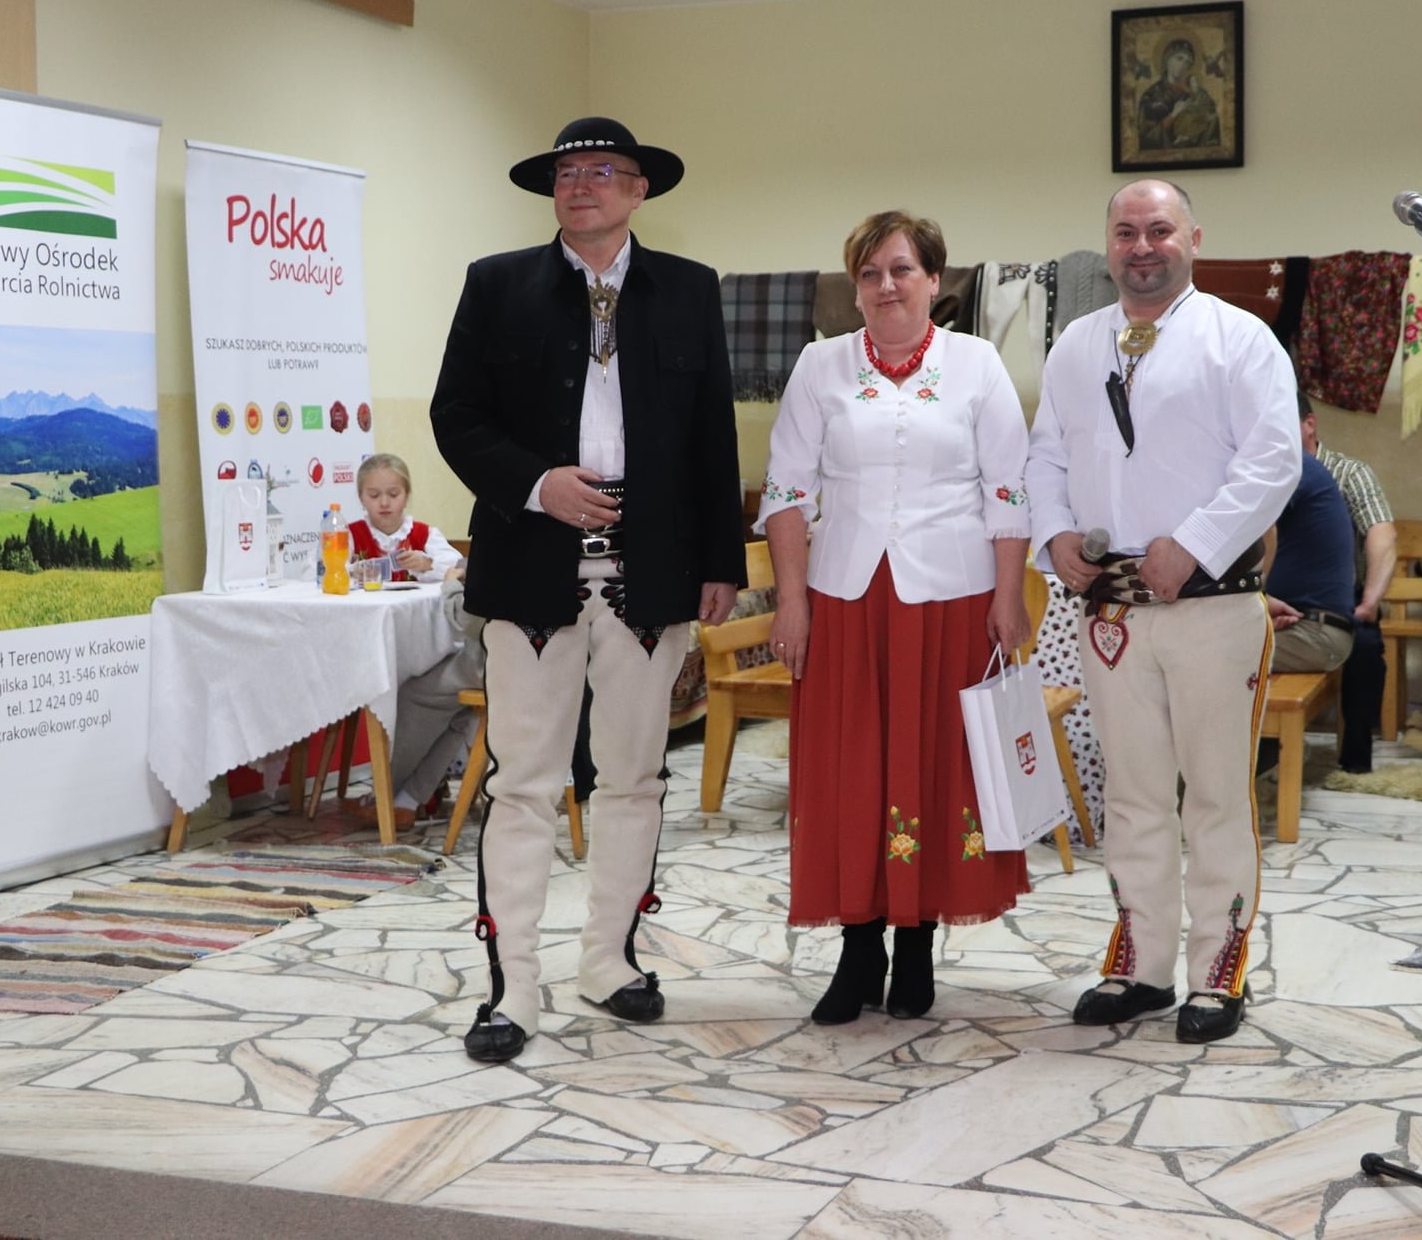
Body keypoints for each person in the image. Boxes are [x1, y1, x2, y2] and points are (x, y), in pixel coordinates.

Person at [431, 117, 745, 1065]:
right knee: (524, 782)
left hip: (651, 576)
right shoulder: (497, 284)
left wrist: (721, 562)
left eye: (604, 171)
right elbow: (455, 416)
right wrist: (538, 484)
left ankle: (609, 960)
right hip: (531, 569)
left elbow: (712, 433)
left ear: (639, 189)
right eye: (568, 171)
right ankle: (512, 987)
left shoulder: (688, 289)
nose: (582, 184)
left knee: (634, 777)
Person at [1026, 178, 1298, 1044]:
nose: (1142, 247)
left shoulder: (1240, 339)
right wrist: (1054, 535)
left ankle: (1220, 968)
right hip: (1110, 612)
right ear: (1107, 244)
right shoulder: (1076, 345)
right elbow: (1044, 457)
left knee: (1215, 793)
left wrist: (1197, 543)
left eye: (1159, 230)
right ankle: (1140, 963)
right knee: (1134, 793)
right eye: (1126, 232)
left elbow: (1274, 461)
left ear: (1194, 239)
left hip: (1213, 606)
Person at [760, 210, 1032, 1025]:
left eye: (902, 269)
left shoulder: (977, 364)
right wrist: (792, 599)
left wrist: (1008, 597)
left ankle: (916, 944)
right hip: (846, 601)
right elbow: (787, 490)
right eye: (870, 273)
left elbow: (1009, 490)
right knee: (852, 769)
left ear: (934, 281)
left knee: (938, 766)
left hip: (953, 600)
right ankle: (860, 946)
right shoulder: (820, 365)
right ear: (855, 288)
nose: (885, 285)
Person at [337, 453, 472, 832]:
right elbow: (324, 571)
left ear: (407, 495)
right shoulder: (351, 535)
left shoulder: (424, 535)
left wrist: (428, 565)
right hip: (366, 640)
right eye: (374, 495)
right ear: (361, 497)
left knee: (421, 692)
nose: (384, 503)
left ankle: (398, 790)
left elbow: (457, 569)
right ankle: (401, 792)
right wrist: (350, 573)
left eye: (393, 494)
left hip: (422, 646)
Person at [1301, 400, 1396, 773]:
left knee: (1366, 648)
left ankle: (1356, 759)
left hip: (1342, 599)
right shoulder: (1262, 471)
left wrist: (1369, 601)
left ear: (1310, 424)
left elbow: (1382, 533)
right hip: (1278, 595)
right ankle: (1268, 749)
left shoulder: (1350, 474)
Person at [1264, 402, 1358, 679]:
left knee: (1203, 654)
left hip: (1313, 632)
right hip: (1304, 624)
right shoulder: (1296, 463)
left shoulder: (1287, 464)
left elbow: (1258, 534)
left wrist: (1256, 601)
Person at [1137, 38, 1221, 152]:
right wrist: (1173, 116)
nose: (1183, 65)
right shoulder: (1151, 95)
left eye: (1188, 62)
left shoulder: (1196, 92)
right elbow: (1145, 138)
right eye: (1179, 58)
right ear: (1167, 60)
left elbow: (1212, 120)